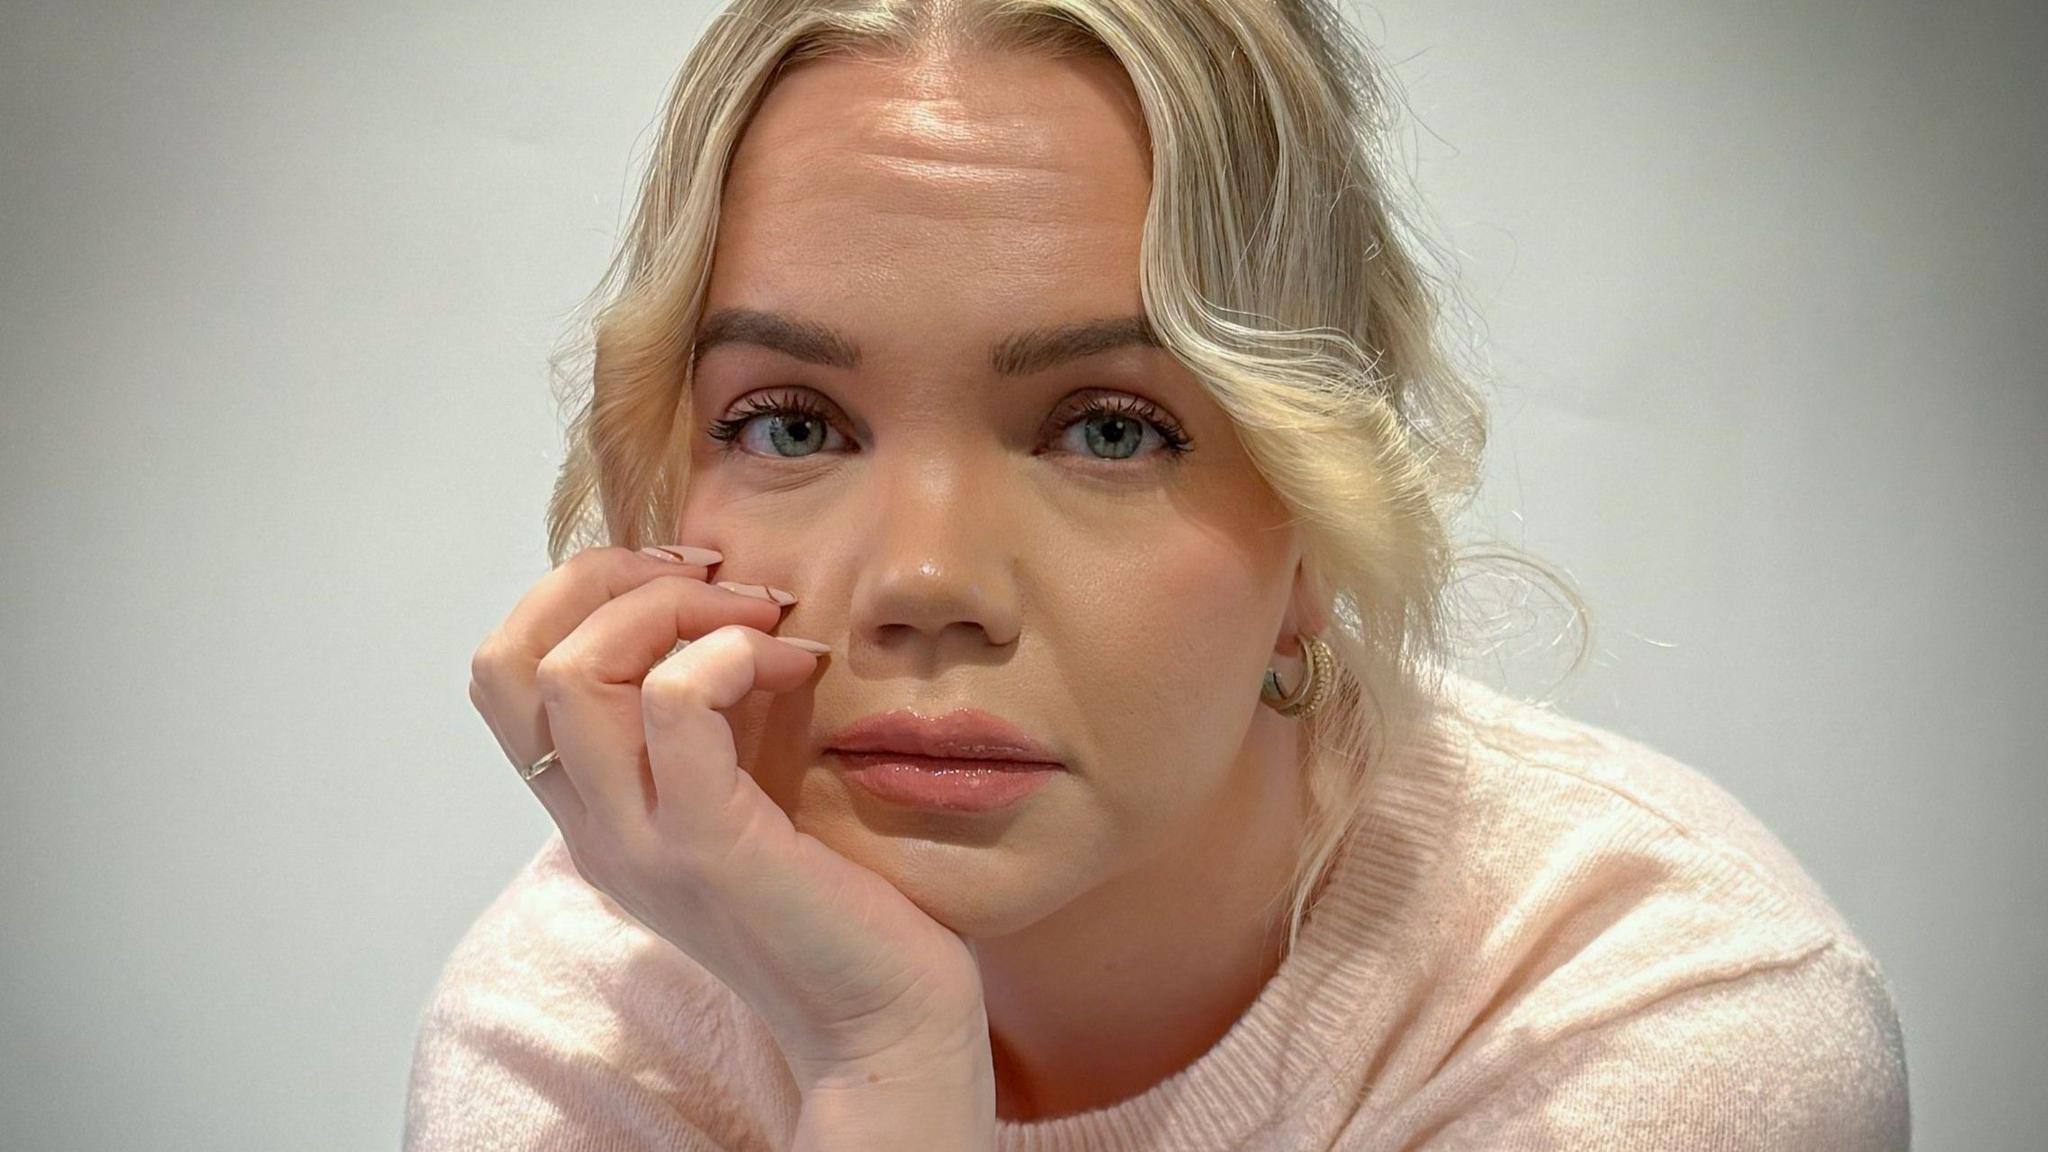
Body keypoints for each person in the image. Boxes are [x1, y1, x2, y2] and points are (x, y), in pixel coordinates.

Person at [402, 1, 1911, 1148]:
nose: (927, 578)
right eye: (791, 423)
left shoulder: (1650, 1010)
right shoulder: (579, 1034)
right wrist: (881, 1053)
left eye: (1112, 430)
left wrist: (886, 1079)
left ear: (1321, 520)